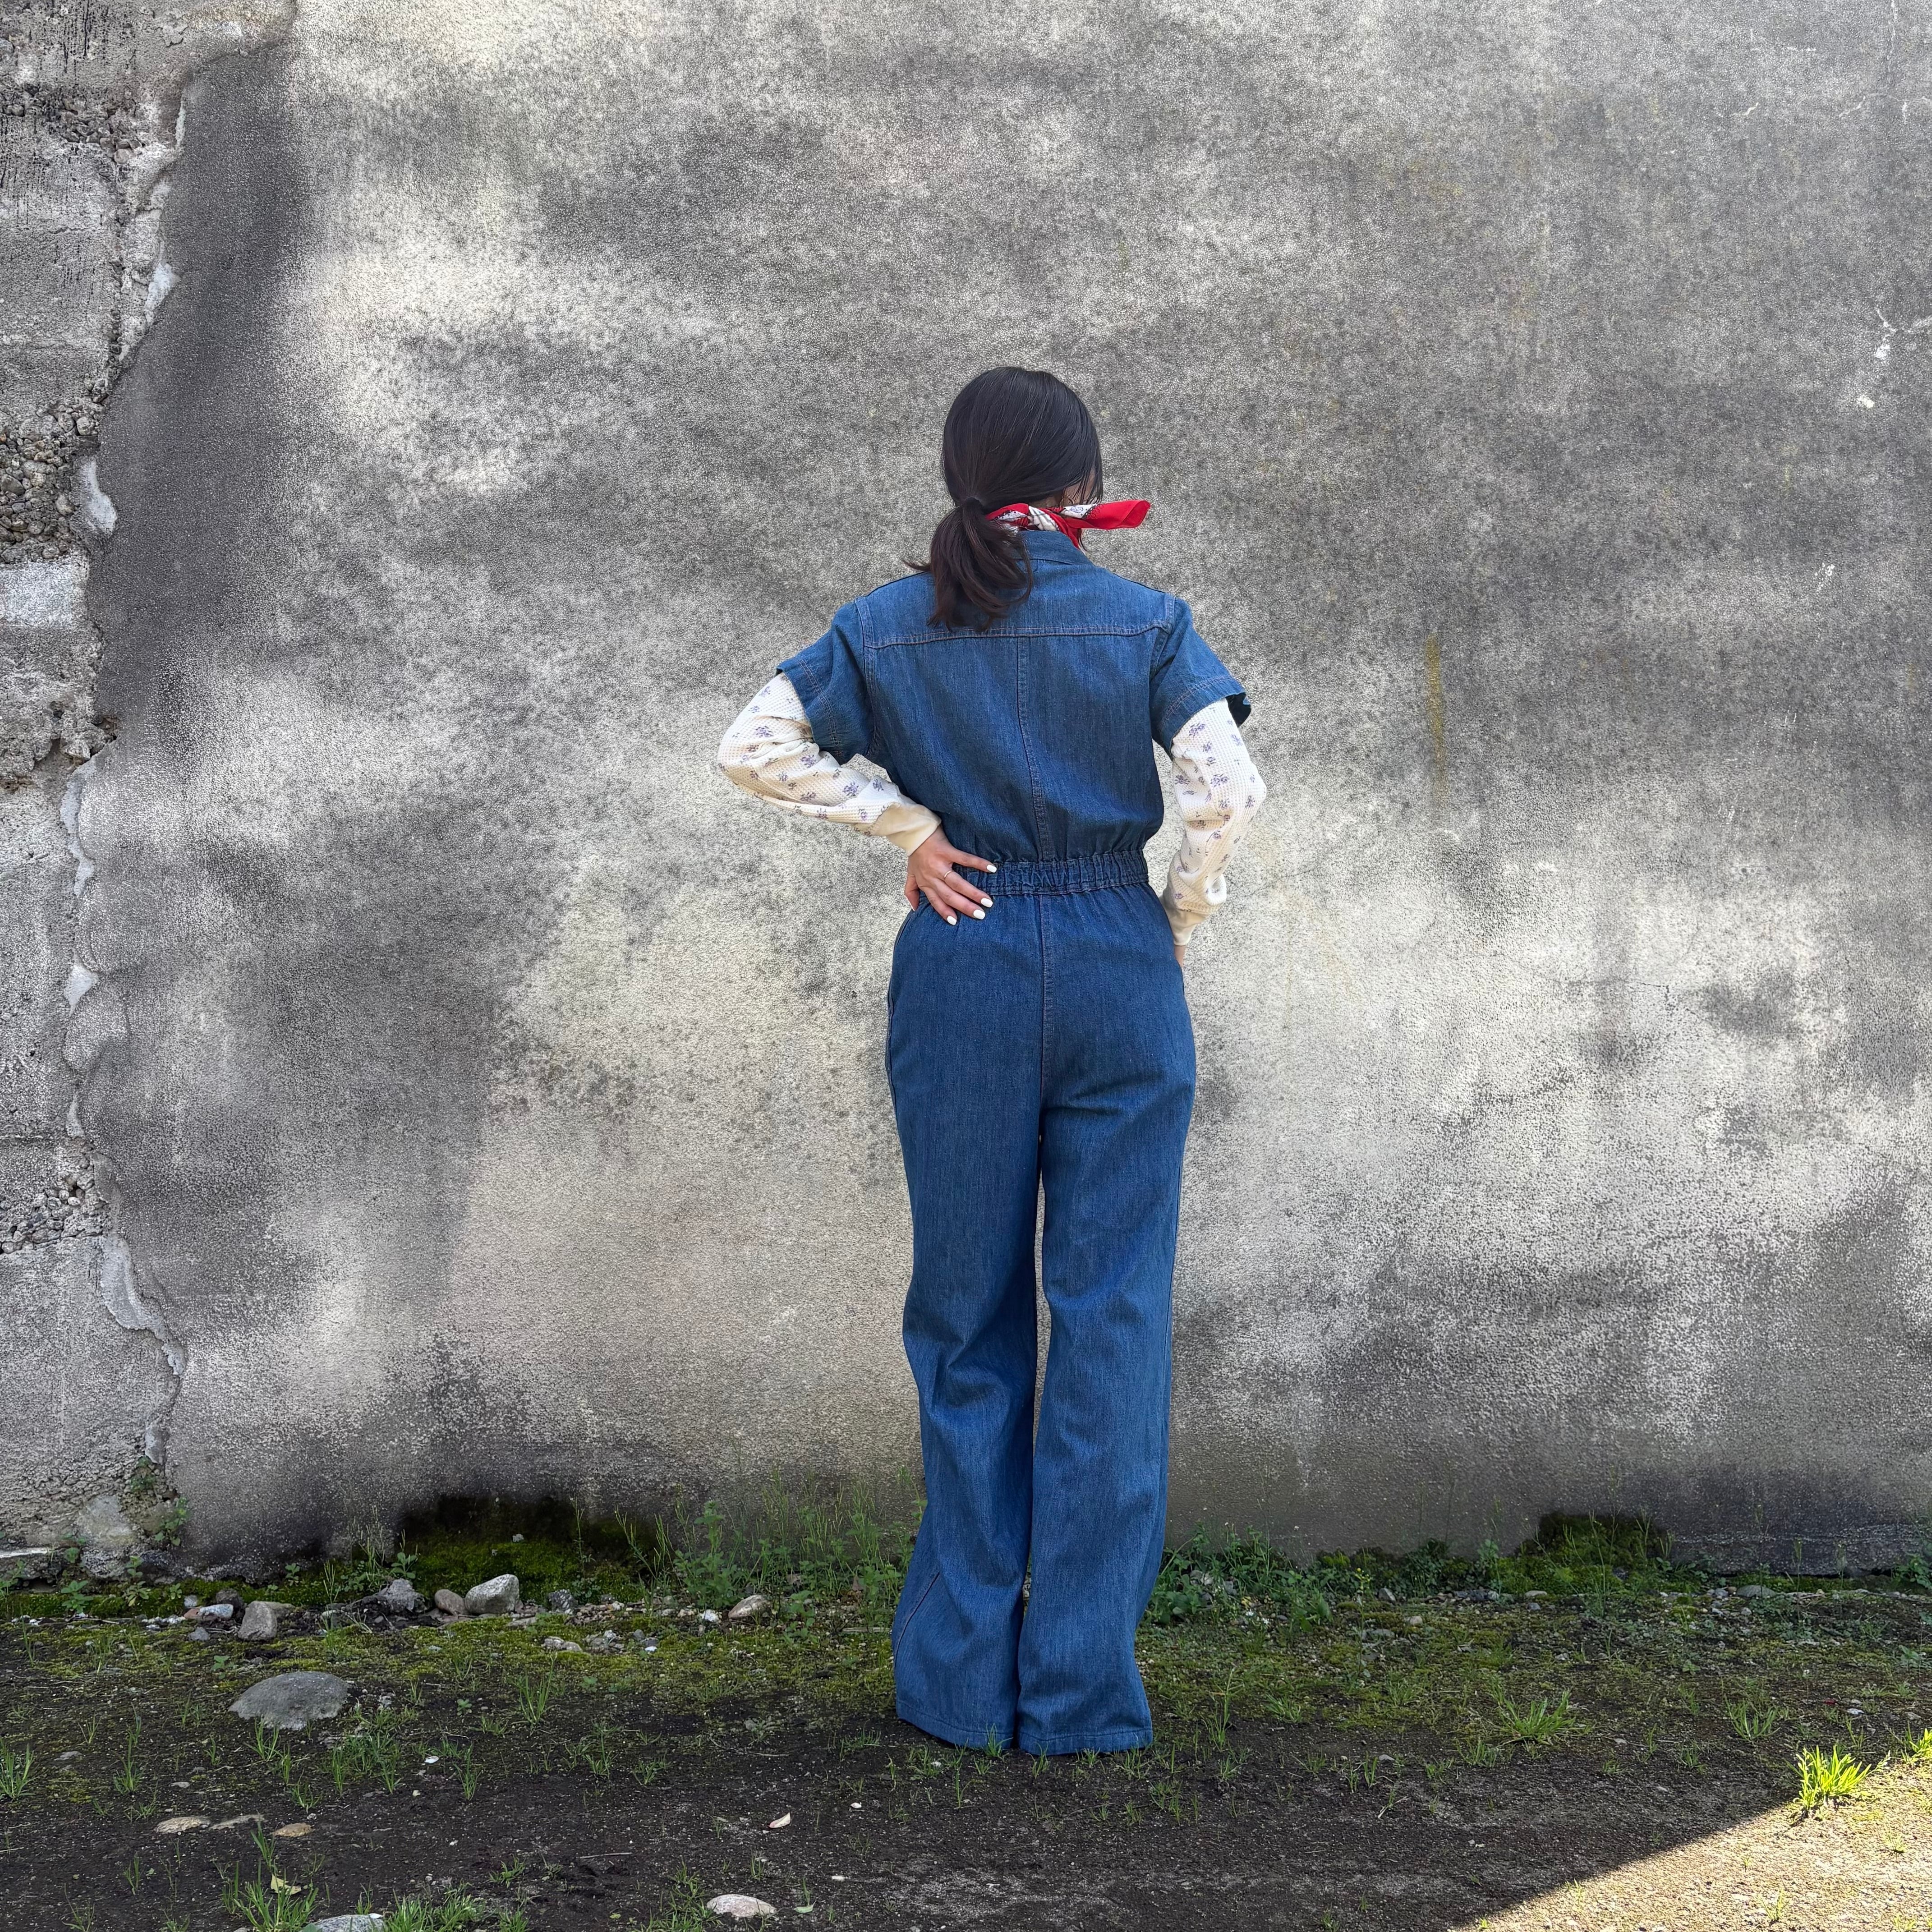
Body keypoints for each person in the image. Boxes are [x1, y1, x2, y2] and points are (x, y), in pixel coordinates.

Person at [717, 366, 1265, 1756]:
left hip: (961, 956)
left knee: (966, 1318)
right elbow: (1226, 790)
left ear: (960, 475)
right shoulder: (1148, 620)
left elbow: (752, 745)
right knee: (1111, 1316)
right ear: (1082, 486)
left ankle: (959, 1685)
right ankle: (1079, 1691)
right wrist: (1173, 917)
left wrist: (904, 826)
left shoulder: (885, 623)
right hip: (1117, 962)